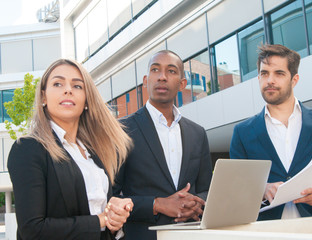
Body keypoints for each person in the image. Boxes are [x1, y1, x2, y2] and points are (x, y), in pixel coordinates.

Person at [230, 44, 312, 220]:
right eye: (264, 73)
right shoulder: (242, 132)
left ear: (294, 79)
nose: (270, 80)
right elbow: (235, 186)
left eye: (279, 73)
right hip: (265, 232)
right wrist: (261, 189)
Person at [8, 59, 134, 240]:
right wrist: (101, 219)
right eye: (58, 84)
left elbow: (100, 224)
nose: (68, 90)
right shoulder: (28, 148)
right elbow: (32, 229)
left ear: (86, 100)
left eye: (77, 86)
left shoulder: (95, 153)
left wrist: (114, 219)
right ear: (43, 97)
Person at [113, 50, 213, 240]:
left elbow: (206, 189)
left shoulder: (198, 133)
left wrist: (196, 204)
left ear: (182, 84)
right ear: (145, 80)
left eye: (171, 71)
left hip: (190, 234)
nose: (162, 77)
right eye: (155, 70)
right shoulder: (121, 130)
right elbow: (111, 196)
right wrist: (157, 204)